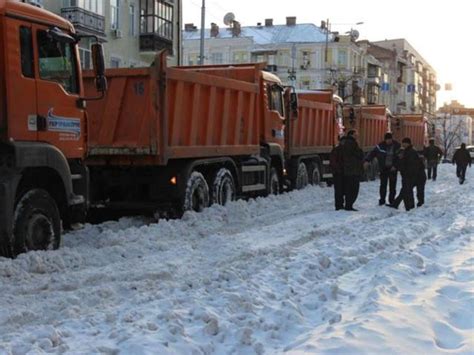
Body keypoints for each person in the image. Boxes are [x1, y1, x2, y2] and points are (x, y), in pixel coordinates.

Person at [364, 132, 401, 206]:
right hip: (383, 168)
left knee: (392, 186)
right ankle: (382, 200)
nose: (389, 141)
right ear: (385, 140)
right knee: (383, 185)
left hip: (393, 168)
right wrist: (367, 160)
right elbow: (372, 153)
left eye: (390, 139)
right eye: (387, 140)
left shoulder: (397, 146)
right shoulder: (380, 146)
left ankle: (391, 200)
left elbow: (399, 158)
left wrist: (395, 166)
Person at [388, 138, 423, 211]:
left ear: (408, 143)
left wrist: (405, 172)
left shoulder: (411, 152)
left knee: (407, 191)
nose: (403, 144)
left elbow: (410, 165)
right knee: (405, 190)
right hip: (408, 175)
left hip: (410, 175)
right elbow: (401, 161)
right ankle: (400, 205)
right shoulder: (406, 151)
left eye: (405, 143)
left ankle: (410, 207)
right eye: (403, 143)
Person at [341, 129, 364, 211]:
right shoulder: (352, 143)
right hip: (353, 170)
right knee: (353, 189)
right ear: (352, 135)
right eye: (355, 134)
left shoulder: (344, 143)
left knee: (348, 188)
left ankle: (348, 204)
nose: (357, 135)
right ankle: (349, 205)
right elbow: (359, 154)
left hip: (348, 170)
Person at [330, 136, 346, 210]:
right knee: (339, 190)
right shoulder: (336, 150)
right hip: (339, 173)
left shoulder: (340, 150)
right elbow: (333, 161)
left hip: (342, 172)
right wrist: (337, 169)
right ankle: (338, 205)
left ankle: (340, 204)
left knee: (342, 189)